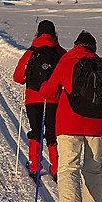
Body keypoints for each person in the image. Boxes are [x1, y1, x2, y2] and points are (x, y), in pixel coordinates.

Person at [40, 30, 102, 202]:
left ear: (76, 45)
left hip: (69, 124)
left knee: (68, 165)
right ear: (93, 48)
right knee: (93, 168)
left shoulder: (67, 62)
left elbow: (49, 91)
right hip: (97, 126)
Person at [13, 20, 66, 180]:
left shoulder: (31, 51)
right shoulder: (60, 52)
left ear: (37, 33)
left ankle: (35, 166)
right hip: (53, 99)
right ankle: (56, 168)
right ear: (54, 34)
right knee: (52, 132)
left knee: (36, 131)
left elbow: (17, 77)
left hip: (33, 98)